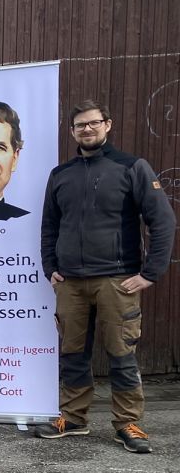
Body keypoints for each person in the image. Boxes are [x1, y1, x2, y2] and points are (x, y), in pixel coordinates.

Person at [36, 100, 176, 453]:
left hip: (117, 280)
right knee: (72, 353)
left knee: (121, 353)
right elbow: (49, 226)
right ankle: (74, 418)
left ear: (107, 125)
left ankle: (127, 423)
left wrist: (151, 274)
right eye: (80, 125)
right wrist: (49, 266)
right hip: (70, 283)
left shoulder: (131, 167)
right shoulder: (61, 175)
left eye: (93, 123)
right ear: (72, 131)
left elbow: (163, 221)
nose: (87, 129)